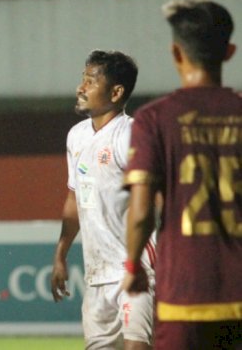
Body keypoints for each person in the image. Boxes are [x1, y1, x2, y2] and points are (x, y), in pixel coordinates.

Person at [122, 0, 240, 349]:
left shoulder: (154, 118)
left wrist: (133, 265)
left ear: (176, 52)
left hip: (184, 295)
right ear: (229, 51)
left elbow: (142, 211)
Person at [50, 50, 154, 349]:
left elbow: (152, 199)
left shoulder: (129, 134)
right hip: (97, 276)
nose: (80, 88)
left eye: (90, 81)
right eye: (82, 80)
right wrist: (61, 254)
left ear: (116, 91)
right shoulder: (77, 136)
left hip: (136, 269)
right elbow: (74, 200)